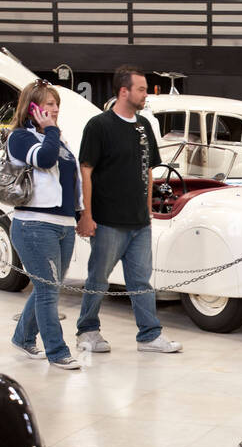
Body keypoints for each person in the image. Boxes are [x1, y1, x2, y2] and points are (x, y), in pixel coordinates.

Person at [75, 66, 182, 354]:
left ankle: (149, 335)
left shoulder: (144, 126)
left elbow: (148, 172)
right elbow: (86, 170)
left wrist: (147, 212)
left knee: (141, 281)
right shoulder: (99, 126)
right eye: (142, 89)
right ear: (124, 91)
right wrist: (87, 214)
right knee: (98, 278)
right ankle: (87, 331)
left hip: (139, 223)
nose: (146, 94)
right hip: (107, 221)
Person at [6, 80, 84, 369]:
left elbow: (70, 181)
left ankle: (23, 338)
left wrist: (79, 215)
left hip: (62, 224)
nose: (54, 109)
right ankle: (57, 351)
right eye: (48, 104)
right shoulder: (20, 137)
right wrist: (51, 130)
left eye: (56, 104)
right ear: (32, 107)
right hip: (34, 225)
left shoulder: (56, 138)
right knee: (49, 291)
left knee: (45, 289)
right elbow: (44, 159)